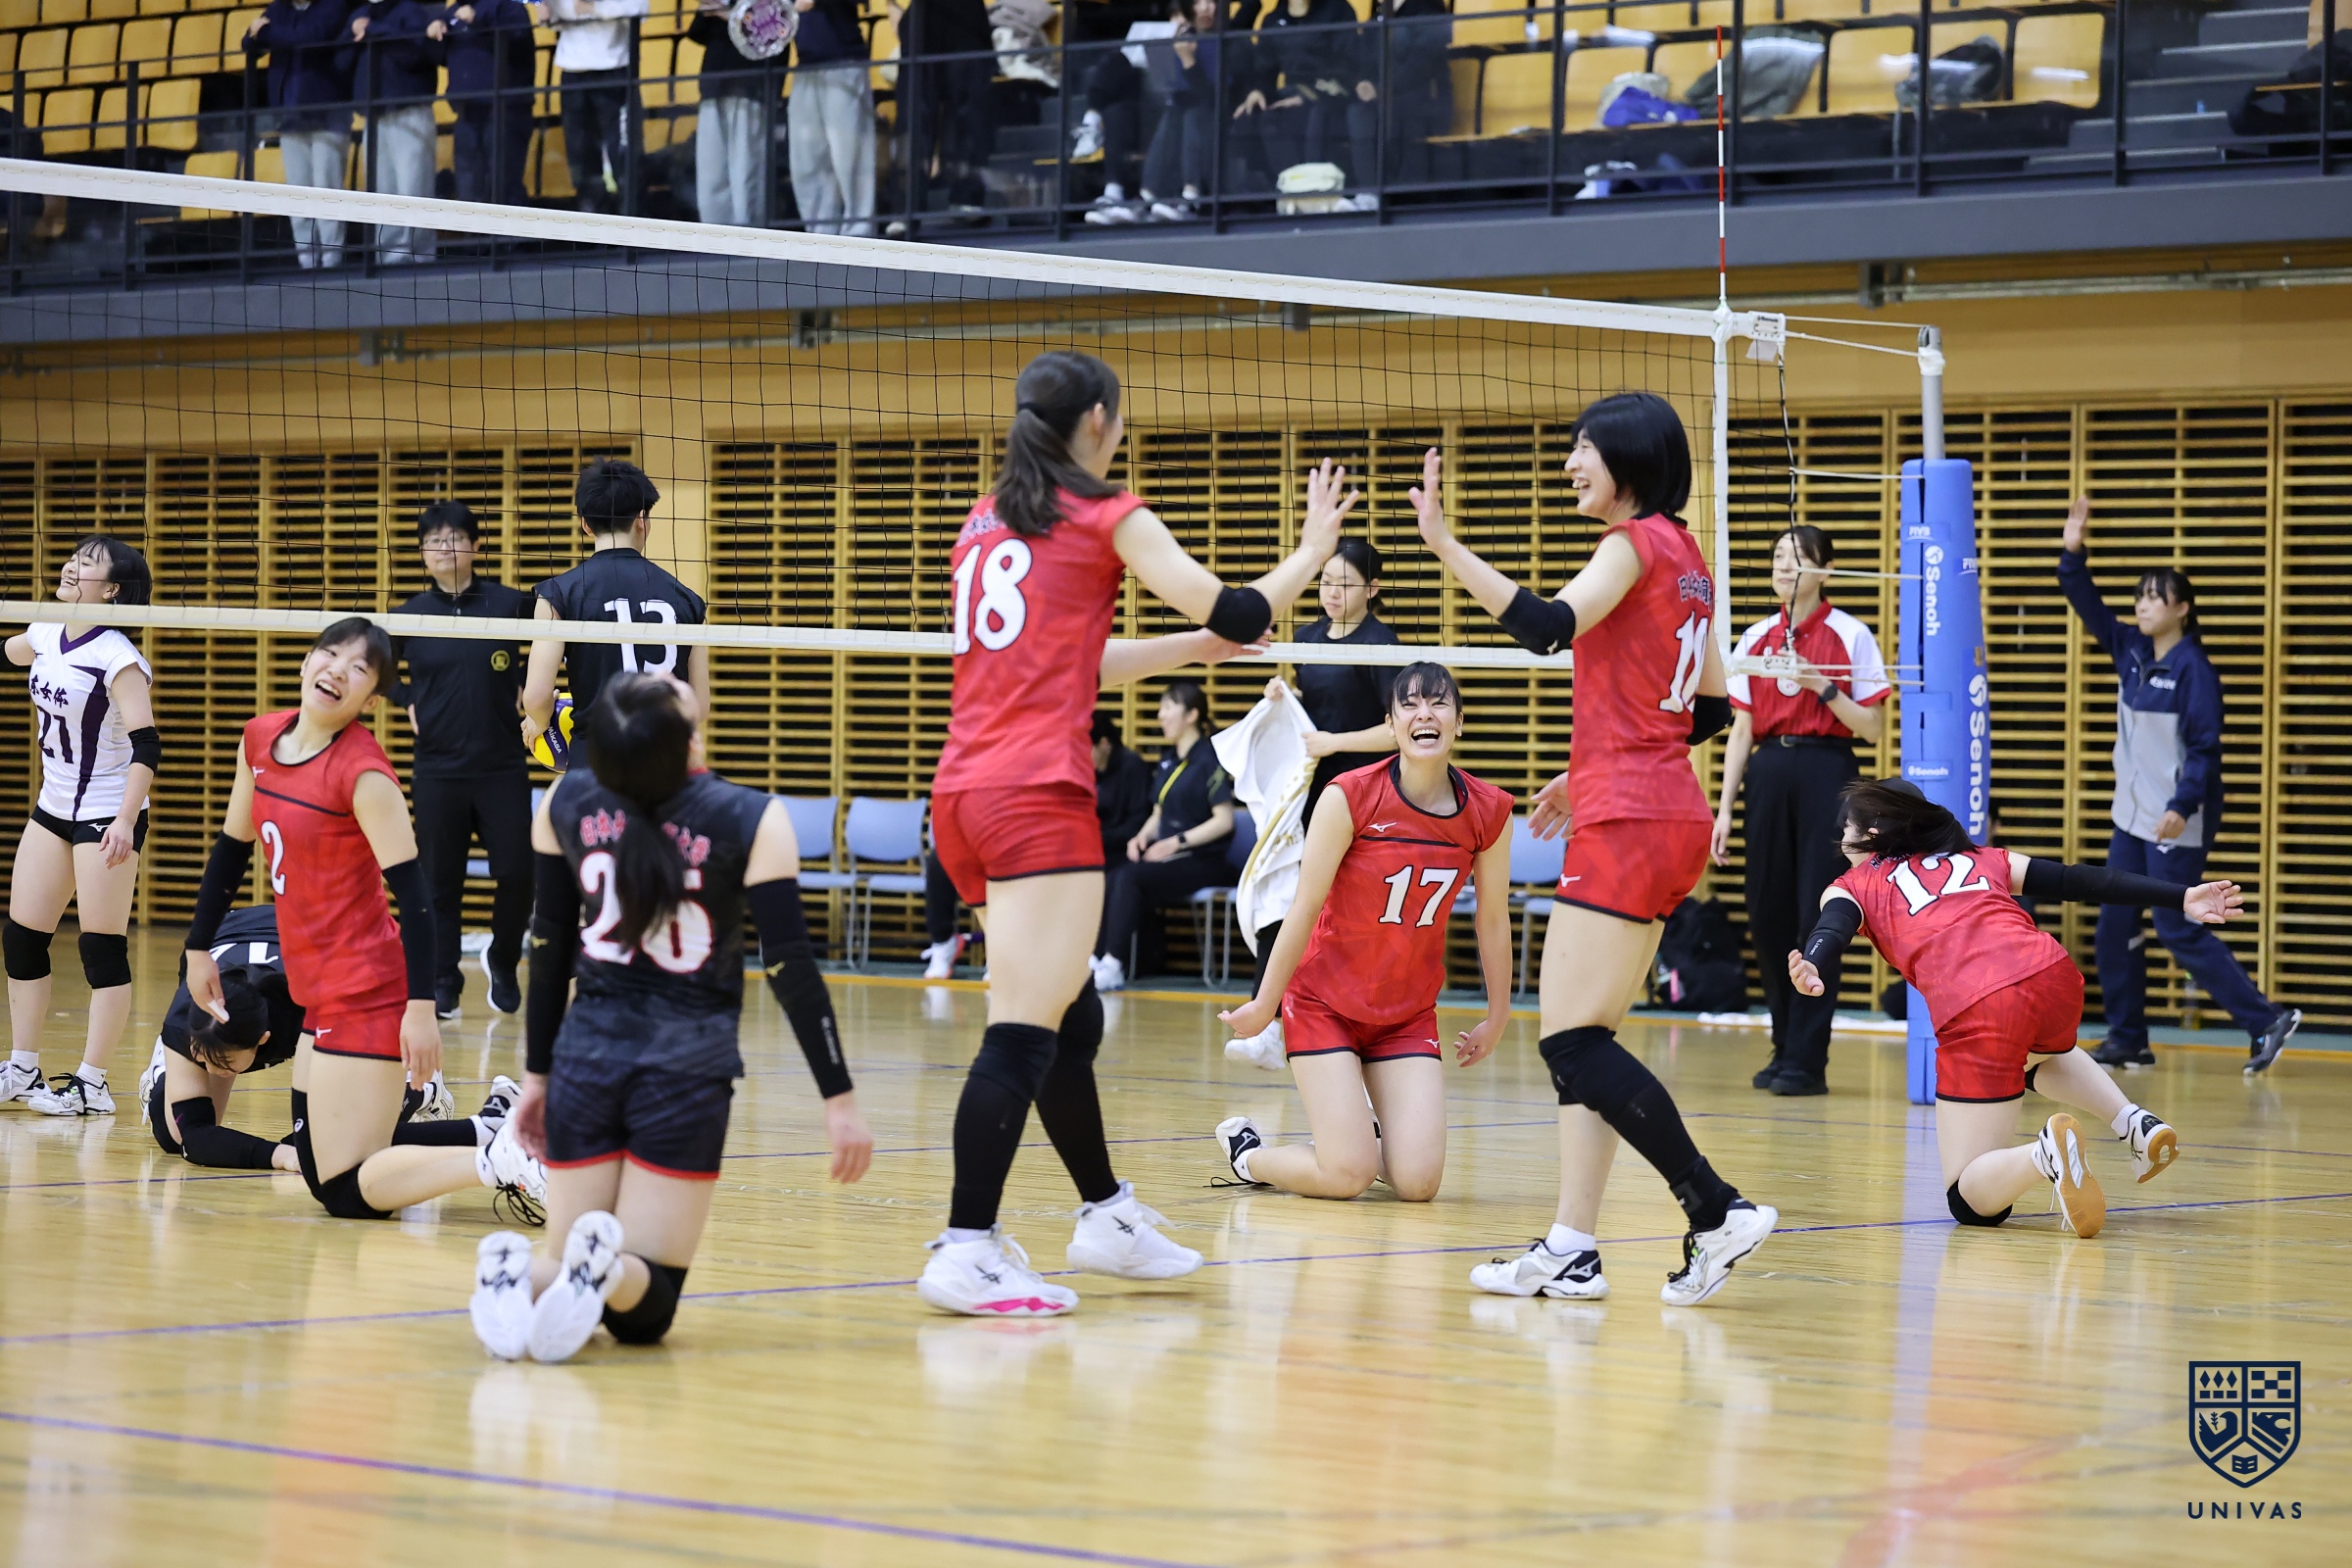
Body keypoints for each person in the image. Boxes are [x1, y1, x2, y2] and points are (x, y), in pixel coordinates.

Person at [917, 348, 1349, 1316]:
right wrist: (1312, 549)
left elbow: (1070, 657)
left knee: (1071, 1016)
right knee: (1022, 1030)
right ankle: (967, 1245)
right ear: (1099, 422)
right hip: (1036, 799)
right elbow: (1241, 606)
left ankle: (1106, 1214)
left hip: (964, 797)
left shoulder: (984, 522)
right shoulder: (1107, 511)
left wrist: (1197, 650)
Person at [1412, 393, 1776, 1306]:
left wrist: (1445, 544)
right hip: (1666, 807)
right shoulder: (1689, 559)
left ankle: (1714, 1207)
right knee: (1589, 1042)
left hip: (1633, 820)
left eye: (1585, 449)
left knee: (1570, 1043)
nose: (1570, 463)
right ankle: (1572, 1246)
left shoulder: (1631, 544)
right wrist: (1597, 769)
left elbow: (1547, 629)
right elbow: (1707, 709)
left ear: (1630, 460)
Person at [470, 672, 873, 1361]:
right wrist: (838, 1098)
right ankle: (597, 1267)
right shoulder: (751, 817)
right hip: (685, 1071)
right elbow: (790, 969)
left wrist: (537, 1078)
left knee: (569, 1272)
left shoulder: (566, 800)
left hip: (585, 1063)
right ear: (689, 741)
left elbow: (549, 950)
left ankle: (516, 1272)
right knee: (644, 1316)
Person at [181, 619, 547, 1223]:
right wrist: (199, 947)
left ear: (371, 701)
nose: (337, 671)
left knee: (346, 1190)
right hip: (317, 988)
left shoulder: (365, 774)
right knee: (322, 1164)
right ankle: (497, 1129)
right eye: (330, 655)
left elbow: (418, 900)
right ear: (307, 661)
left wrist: (421, 1009)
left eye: (358, 670)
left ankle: (503, 1160)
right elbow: (230, 849)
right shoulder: (259, 739)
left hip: (367, 988)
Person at [1788, 779, 2203, 1240]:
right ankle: (2133, 1122)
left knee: (1970, 1201)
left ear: (1873, 834)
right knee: (2036, 1058)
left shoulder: (1853, 884)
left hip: (1979, 1001)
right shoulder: (1981, 857)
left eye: (1847, 826)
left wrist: (1813, 963)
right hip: (2051, 974)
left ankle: (2044, 1155)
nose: (1842, 836)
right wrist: (2180, 895)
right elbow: (2078, 879)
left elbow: (1833, 927)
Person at [1214, 662, 1512, 1202]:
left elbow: (1492, 919)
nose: (1425, 714)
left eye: (1439, 703)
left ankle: (1356, 1138)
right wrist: (1264, 1005)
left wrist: (1498, 1015)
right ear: (1391, 724)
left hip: (1405, 1015)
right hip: (1324, 1003)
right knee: (1347, 1177)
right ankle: (1249, 1155)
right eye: (1410, 705)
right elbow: (1304, 907)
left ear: (1459, 722)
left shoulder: (1489, 811)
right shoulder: (1349, 795)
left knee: (1418, 1185)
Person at [2059, 499, 2300, 1074]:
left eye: (2155, 597)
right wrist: (2072, 552)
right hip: (2131, 817)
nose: (2143, 605)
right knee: (2114, 927)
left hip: (2175, 818)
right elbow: (2086, 602)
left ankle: (2266, 1019)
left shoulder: (2195, 672)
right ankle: (2129, 1039)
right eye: (2140, 596)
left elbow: (2204, 751)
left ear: (2182, 609)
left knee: (2175, 924)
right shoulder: (2131, 651)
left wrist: (2180, 805)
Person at [142, 905, 520, 1171]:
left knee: (340, 1140)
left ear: (264, 1040)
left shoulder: (319, 1005)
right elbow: (196, 1138)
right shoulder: (189, 1015)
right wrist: (278, 1156)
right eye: (202, 1057)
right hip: (229, 934)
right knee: (175, 1137)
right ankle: (165, 1070)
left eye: (222, 1062)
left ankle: (449, 1105)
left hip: (317, 951)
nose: (209, 1068)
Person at [1714, 525, 1888, 1097]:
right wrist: (1724, 809)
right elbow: (1741, 730)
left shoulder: (1851, 635)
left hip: (1827, 772)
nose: (1784, 566)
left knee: (1819, 909)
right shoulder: (1755, 637)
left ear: (1825, 570)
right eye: (1778, 556)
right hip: (1768, 772)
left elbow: (1873, 727)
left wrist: (1821, 686)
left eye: (1797, 557)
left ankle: (1808, 1060)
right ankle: (1784, 1043)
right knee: (1766, 911)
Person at [0, 539, 158, 1117]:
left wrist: (125, 820)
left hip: (107, 811)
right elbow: (8, 653)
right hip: (53, 805)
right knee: (22, 939)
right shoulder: (45, 631)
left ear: (111, 589)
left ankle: (92, 1083)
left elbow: (147, 745)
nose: (71, 566)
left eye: (87, 563)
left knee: (100, 949)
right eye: (73, 557)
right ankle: (22, 1068)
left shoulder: (118, 658)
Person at [393, 501, 535, 1020]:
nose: (443, 548)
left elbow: (556, 644)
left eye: (454, 538)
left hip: (502, 767)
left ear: (475, 545)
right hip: (437, 770)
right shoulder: (407, 615)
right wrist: (406, 698)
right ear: (422, 552)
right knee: (439, 882)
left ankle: (503, 959)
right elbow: (376, 664)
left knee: (519, 872)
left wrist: (529, 685)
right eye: (433, 541)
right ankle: (443, 980)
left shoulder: (511, 604)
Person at [924, 711, 1147, 980]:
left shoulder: (1130, 769)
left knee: (1024, 873)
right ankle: (944, 942)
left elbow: (1132, 825)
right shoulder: (1047, 767)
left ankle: (1012, 954)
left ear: (1104, 744)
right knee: (941, 860)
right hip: (1036, 843)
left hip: (1099, 851)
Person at [524, 460, 711, 756]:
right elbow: (699, 705)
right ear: (642, 519)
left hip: (595, 757)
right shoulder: (687, 599)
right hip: (663, 757)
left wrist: (539, 721)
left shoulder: (560, 593)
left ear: (585, 525)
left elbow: (536, 697)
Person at [1091, 679, 1234, 993]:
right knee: (1115, 874)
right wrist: (1140, 837)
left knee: (1129, 878)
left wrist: (1177, 842)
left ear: (1191, 715)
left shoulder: (1211, 758)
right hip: (1168, 856)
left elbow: (1224, 820)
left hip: (1203, 859)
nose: (1160, 715)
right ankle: (1096, 959)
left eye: (1168, 707)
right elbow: (1158, 814)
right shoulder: (1169, 759)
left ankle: (1113, 965)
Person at [1079, 0, 1224, 225]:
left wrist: (1187, 59)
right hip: (1154, 108)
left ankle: (1164, 198)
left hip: (1190, 113)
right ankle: (1113, 191)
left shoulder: (1213, 43)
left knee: (1185, 112)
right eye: (1174, 18)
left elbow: (1208, 97)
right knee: (1117, 105)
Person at [244, 0, 358, 269]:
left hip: (328, 114)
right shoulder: (278, 9)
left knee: (327, 189)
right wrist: (259, 34)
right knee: (298, 193)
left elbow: (311, 36)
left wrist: (267, 32)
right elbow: (248, 43)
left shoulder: (333, 5)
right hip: (290, 117)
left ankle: (331, 259)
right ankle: (307, 260)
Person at [1234, 0, 1379, 210]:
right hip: (1290, 91)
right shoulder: (1274, 19)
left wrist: (1308, 94)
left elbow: (1348, 65)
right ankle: (1290, 192)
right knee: (1261, 118)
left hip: (1332, 91)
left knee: (1313, 115)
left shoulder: (1337, 10)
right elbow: (1265, 68)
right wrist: (1258, 91)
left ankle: (1318, 194)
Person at [338, 0, 444, 265]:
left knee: (413, 186)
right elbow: (341, 62)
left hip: (409, 110)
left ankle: (418, 255)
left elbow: (418, 54)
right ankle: (387, 256)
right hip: (374, 115)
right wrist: (352, 34)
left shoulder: (410, 9)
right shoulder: (359, 14)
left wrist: (375, 30)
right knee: (381, 189)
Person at [545, 0, 649, 215]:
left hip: (615, 69)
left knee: (624, 157)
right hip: (572, 71)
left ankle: (632, 223)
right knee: (580, 157)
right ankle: (591, 223)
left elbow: (639, 10)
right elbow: (551, 13)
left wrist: (595, 9)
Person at [785, 0, 877, 236]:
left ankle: (859, 229)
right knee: (807, 157)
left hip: (844, 59)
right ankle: (820, 231)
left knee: (850, 153)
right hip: (807, 63)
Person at [434, 0, 537, 206]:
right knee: (468, 190)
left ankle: (508, 228)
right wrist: (434, 29)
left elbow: (518, 42)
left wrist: (479, 21)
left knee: (503, 187)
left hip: (506, 109)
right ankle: (473, 227)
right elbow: (441, 55)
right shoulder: (452, 12)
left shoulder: (508, 6)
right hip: (466, 110)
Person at [686, 0, 778, 227]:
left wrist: (729, 14)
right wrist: (713, 9)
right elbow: (697, 32)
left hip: (750, 85)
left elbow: (773, 29)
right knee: (711, 174)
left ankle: (749, 234)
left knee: (746, 169)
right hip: (713, 84)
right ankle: (715, 235)